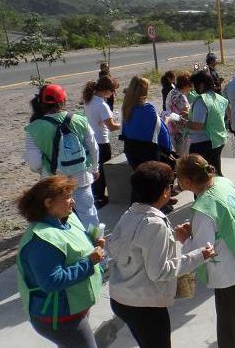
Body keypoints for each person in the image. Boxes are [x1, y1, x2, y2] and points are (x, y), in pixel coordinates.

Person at [107, 161, 215, 348]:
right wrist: (199, 255)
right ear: (165, 191)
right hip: (144, 306)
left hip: (121, 299)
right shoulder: (154, 224)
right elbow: (160, 272)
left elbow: (128, 247)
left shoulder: (130, 214)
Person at [16, 176, 104, 348]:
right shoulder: (42, 241)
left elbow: (72, 249)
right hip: (60, 318)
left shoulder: (67, 219)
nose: (73, 201)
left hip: (74, 309)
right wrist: (89, 262)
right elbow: (52, 281)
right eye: (67, 197)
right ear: (48, 203)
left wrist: (92, 244)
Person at [173, 154, 235, 348]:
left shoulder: (202, 210)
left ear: (188, 181)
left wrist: (185, 239)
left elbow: (204, 253)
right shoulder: (223, 183)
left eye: (178, 177)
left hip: (228, 274)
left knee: (234, 328)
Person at [25, 84, 100, 229]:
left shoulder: (34, 128)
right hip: (81, 178)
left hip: (54, 181)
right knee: (89, 215)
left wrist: (44, 170)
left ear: (41, 103)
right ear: (63, 100)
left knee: (60, 219)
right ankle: (96, 245)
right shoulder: (79, 120)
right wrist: (95, 168)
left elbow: (34, 163)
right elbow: (94, 148)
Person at [120, 76, 174, 173]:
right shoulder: (148, 108)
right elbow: (160, 131)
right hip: (148, 152)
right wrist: (166, 120)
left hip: (131, 150)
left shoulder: (126, 108)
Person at [82, 76, 120, 208]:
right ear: (106, 90)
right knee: (102, 170)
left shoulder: (89, 100)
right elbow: (111, 126)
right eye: (112, 91)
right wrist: (124, 123)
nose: (113, 94)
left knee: (94, 167)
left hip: (91, 140)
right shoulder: (102, 105)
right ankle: (100, 196)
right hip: (102, 141)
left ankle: (96, 194)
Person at [188, 69, 229, 176]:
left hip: (202, 143)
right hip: (218, 139)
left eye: (195, 85)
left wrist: (182, 121)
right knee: (215, 172)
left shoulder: (201, 101)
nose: (194, 88)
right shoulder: (219, 98)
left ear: (201, 85)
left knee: (201, 177)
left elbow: (197, 126)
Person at [164, 71, 192, 156]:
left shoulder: (171, 92)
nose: (191, 88)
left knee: (176, 155)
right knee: (183, 156)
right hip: (182, 132)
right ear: (186, 85)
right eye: (190, 86)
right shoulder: (182, 97)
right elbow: (186, 114)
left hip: (172, 128)